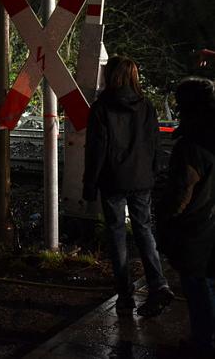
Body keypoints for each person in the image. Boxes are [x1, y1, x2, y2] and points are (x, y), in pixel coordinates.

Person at [83, 55, 174, 316]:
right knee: (144, 230)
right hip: (142, 179)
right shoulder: (146, 106)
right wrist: (154, 171)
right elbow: (155, 143)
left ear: (111, 76)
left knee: (116, 234)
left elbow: (96, 150)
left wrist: (89, 183)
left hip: (113, 180)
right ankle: (159, 283)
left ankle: (125, 294)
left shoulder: (101, 108)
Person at [157, 77, 215, 356]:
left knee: (198, 286)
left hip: (196, 229)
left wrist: (166, 220)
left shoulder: (191, 145)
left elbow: (181, 194)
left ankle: (203, 343)